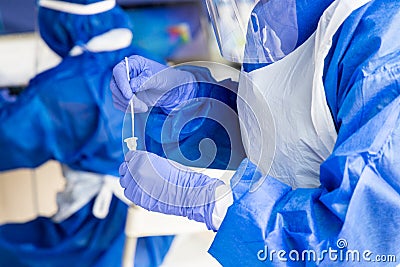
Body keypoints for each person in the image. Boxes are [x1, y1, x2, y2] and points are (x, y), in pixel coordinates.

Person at [111, 0, 400, 265]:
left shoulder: (385, 50)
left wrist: (217, 202)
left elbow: (358, 244)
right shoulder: (287, 15)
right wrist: (187, 104)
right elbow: (285, 131)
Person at [0, 0, 174, 266]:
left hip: (95, 238)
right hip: (153, 233)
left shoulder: (66, 86)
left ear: (59, 21)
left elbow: (9, 140)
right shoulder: (153, 62)